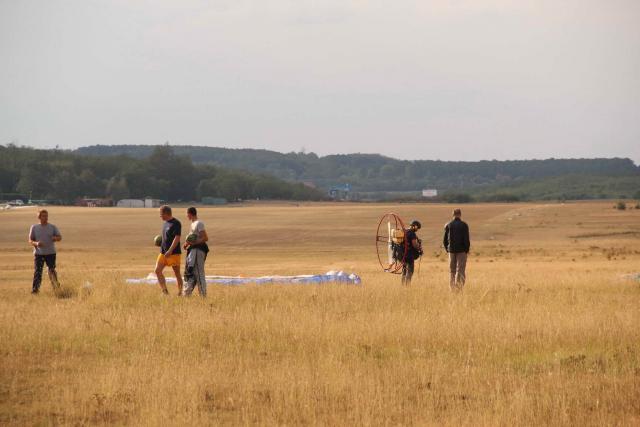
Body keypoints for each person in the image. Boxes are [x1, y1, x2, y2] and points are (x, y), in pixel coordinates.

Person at [28, 209, 62, 294]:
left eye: (46, 216)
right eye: (43, 216)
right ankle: (35, 291)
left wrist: (55, 238)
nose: (46, 217)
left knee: (52, 271)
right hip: (38, 253)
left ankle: (56, 289)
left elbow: (60, 237)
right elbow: (30, 240)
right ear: (39, 217)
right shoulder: (34, 227)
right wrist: (36, 243)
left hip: (51, 253)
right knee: (38, 272)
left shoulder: (52, 227)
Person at [155, 205, 183, 295]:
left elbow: (177, 238)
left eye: (161, 214)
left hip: (174, 253)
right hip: (163, 252)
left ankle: (180, 293)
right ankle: (165, 292)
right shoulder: (165, 223)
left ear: (166, 213)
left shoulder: (176, 223)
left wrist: (170, 250)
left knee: (177, 273)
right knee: (157, 271)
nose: (160, 216)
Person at [182, 207, 209, 297]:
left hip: (198, 250)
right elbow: (192, 237)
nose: (186, 216)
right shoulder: (192, 224)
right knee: (192, 272)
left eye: (187, 214)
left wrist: (194, 243)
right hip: (193, 251)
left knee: (199, 273)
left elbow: (205, 238)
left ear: (190, 213)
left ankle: (203, 295)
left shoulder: (199, 223)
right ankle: (187, 294)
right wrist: (187, 244)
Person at [443, 208, 470, 291]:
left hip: (451, 251)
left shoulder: (448, 225)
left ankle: (452, 289)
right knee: (460, 270)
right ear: (460, 215)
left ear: (453, 215)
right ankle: (458, 288)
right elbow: (466, 239)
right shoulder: (464, 225)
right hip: (461, 251)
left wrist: (448, 249)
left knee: (452, 270)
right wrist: (466, 250)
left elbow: (444, 240)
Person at [402, 220, 423, 285]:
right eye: (417, 227)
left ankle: (403, 285)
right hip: (409, 255)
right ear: (414, 226)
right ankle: (407, 286)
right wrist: (420, 249)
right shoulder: (412, 233)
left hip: (403, 254)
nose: (417, 229)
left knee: (404, 270)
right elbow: (414, 245)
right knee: (410, 271)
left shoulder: (405, 231)